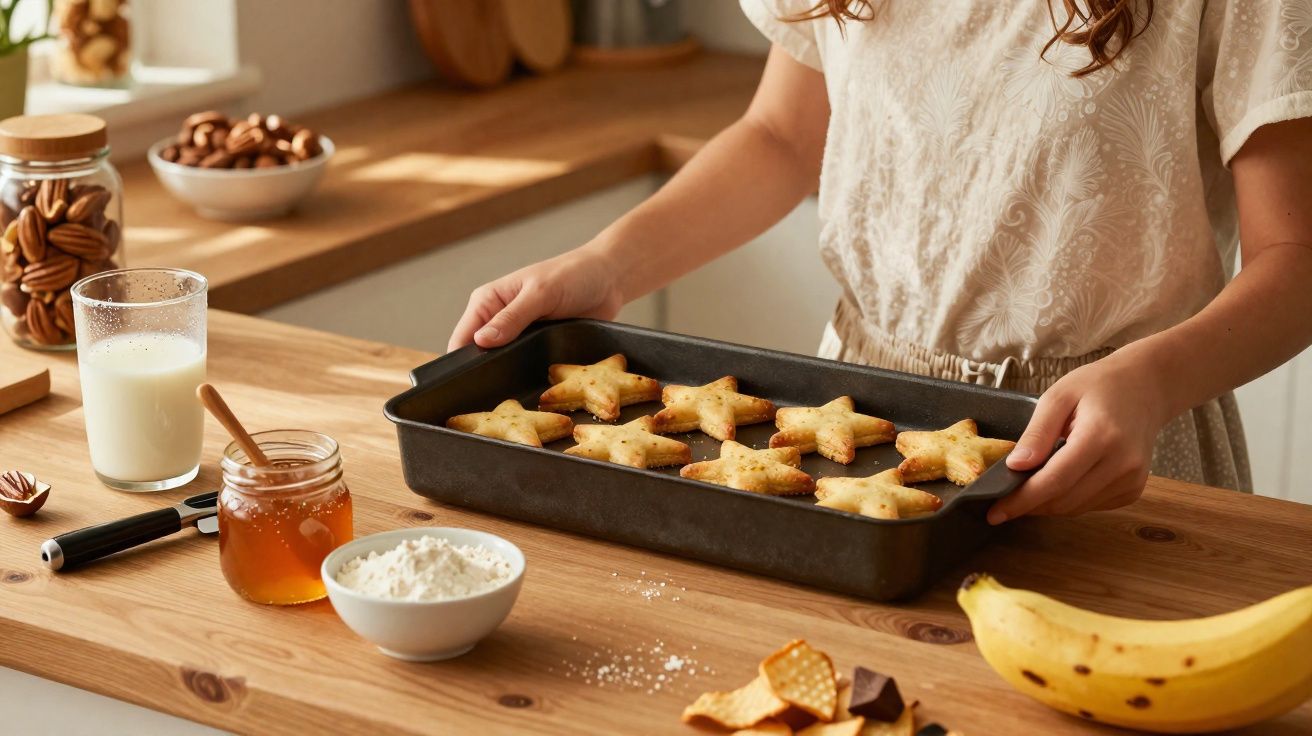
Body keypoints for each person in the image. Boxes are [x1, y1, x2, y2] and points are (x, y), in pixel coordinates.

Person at [449, 0, 1312, 523]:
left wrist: (1151, 383)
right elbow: (781, 138)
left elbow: (1295, 259)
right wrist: (607, 266)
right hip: (858, 434)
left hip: (1106, 454)